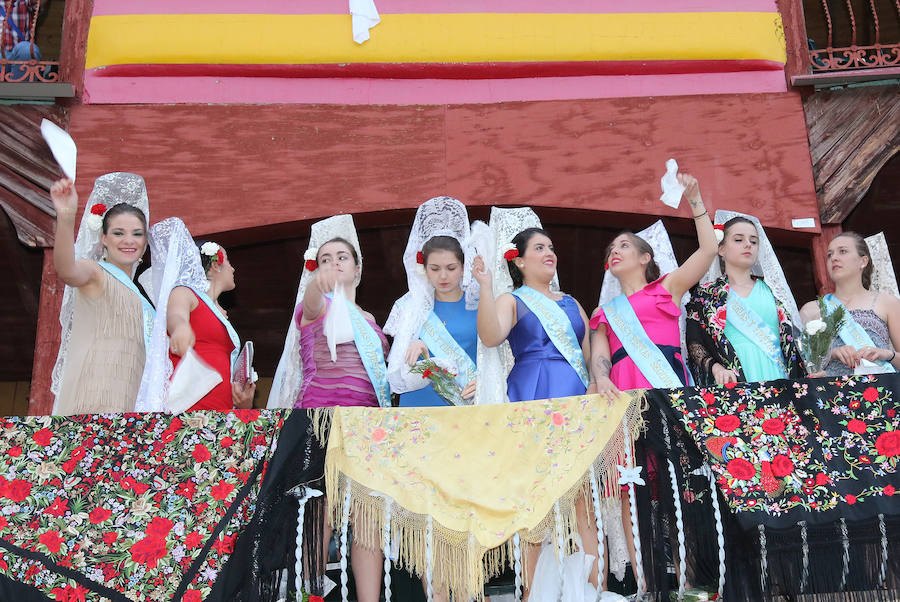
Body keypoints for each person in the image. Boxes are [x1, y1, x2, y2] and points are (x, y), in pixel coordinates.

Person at [473, 208, 603, 598]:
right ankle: (531, 592)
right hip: (532, 397)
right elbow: (492, 336)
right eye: (540, 247)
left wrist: (598, 382)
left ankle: (595, 588)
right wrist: (483, 285)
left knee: (583, 499)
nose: (550, 253)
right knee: (535, 500)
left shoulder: (572, 303)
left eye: (551, 247)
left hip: (575, 398)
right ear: (520, 259)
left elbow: (587, 351)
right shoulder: (512, 299)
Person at [268, 215, 386, 602]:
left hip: (366, 424)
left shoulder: (370, 320)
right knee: (320, 514)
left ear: (357, 268)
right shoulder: (314, 307)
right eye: (325, 259)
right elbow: (314, 300)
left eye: (342, 258)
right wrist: (316, 285)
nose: (334, 264)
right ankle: (312, 594)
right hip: (320, 420)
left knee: (367, 520)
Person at [589, 173, 717, 396]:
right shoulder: (603, 312)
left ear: (644, 257)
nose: (615, 251)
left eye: (624, 245)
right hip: (623, 385)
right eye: (612, 249)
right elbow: (600, 357)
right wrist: (601, 379)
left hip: (666, 381)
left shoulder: (667, 288)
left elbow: (708, 250)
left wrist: (695, 200)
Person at [49, 174, 154, 415]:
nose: (129, 240)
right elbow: (67, 270)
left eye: (137, 234)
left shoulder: (143, 299)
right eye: (118, 233)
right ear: (103, 238)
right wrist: (66, 218)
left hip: (129, 403)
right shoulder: (95, 272)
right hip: (94, 397)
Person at [135, 217, 255, 412]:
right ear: (216, 264)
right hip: (189, 406)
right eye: (229, 262)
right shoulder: (184, 292)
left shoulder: (221, 314)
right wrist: (180, 327)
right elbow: (175, 315)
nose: (233, 269)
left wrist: (243, 402)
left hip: (222, 411)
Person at [686, 215, 807, 385]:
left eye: (754, 241)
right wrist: (715, 367)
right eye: (738, 239)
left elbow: (795, 341)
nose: (748, 244)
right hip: (733, 382)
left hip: (779, 378)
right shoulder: (707, 294)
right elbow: (695, 342)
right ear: (721, 249)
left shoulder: (775, 292)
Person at [385, 196, 479, 408]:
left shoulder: (479, 304)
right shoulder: (408, 307)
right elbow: (394, 371)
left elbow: (498, 358)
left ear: (464, 267)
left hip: (467, 403)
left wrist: (485, 382)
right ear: (424, 268)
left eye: (451, 268)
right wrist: (410, 345)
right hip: (419, 404)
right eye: (435, 269)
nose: (443, 276)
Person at [800, 232, 900, 376]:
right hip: (832, 395)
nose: (834, 258)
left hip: (879, 393)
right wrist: (831, 354)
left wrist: (885, 354)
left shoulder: (887, 302)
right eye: (829, 255)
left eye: (843, 251)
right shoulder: (811, 310)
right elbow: (801, 365)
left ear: (863, 261)